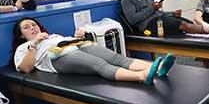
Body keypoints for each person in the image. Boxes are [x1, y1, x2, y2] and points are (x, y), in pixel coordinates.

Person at [12, 18, 176, 85]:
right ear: (21, 34)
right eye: (27, 27)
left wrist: (76, 35)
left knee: (117, 58)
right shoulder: (22, 48)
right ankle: (141, 76)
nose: (32, 28)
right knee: (99, 65)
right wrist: (34, 43)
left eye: (34, 25)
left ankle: (157, 67)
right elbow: (26, 68)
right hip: (58, 57)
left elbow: (67, 40)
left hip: (75, 44)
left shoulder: (52, 35)